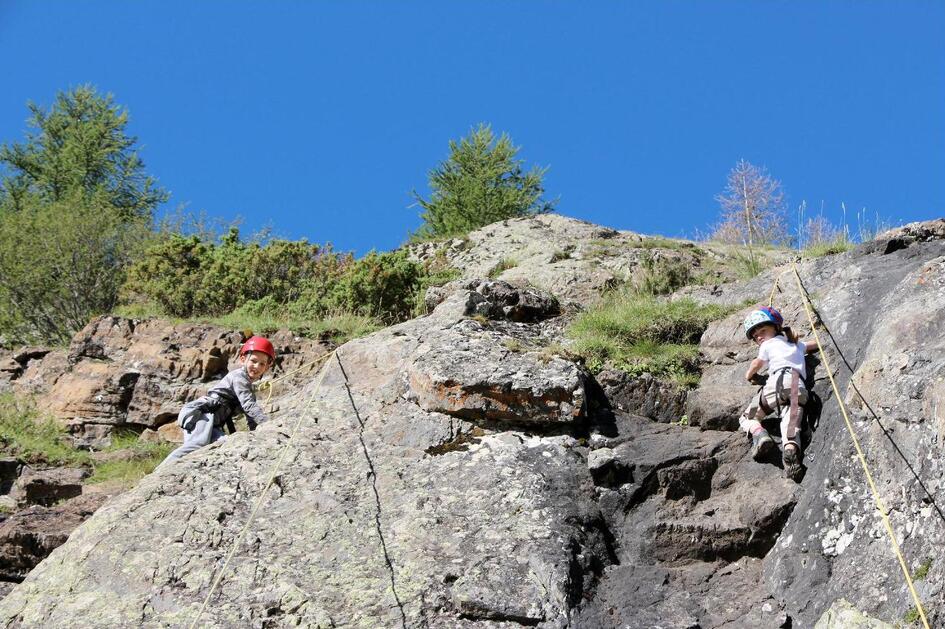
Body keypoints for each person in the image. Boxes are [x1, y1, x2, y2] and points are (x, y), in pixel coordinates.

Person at [159, 336, 275, 467]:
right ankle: (160, 471)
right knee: (197, 445)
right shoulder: (239, 377)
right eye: (253, 361)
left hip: (212, 423)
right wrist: (268, 425)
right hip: (203, 415)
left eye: (262, 364)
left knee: (225, 444)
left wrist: (258, 433)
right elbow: (249, 405)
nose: (257, 366)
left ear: (266, 368)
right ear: (243, 359)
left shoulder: (247, 386)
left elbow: (251, 417)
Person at [739, 306, 817, 479]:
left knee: (747, 417)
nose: (759, 337)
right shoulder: (795, 344)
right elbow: (812, 345)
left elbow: (756, 364)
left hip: (775, 385)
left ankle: (760, 435)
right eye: (755, 336)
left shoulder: (767, 345)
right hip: (797, 385)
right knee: (791, 424)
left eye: (762, 331)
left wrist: (749, 375)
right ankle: (790, 451)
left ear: (775, 327)